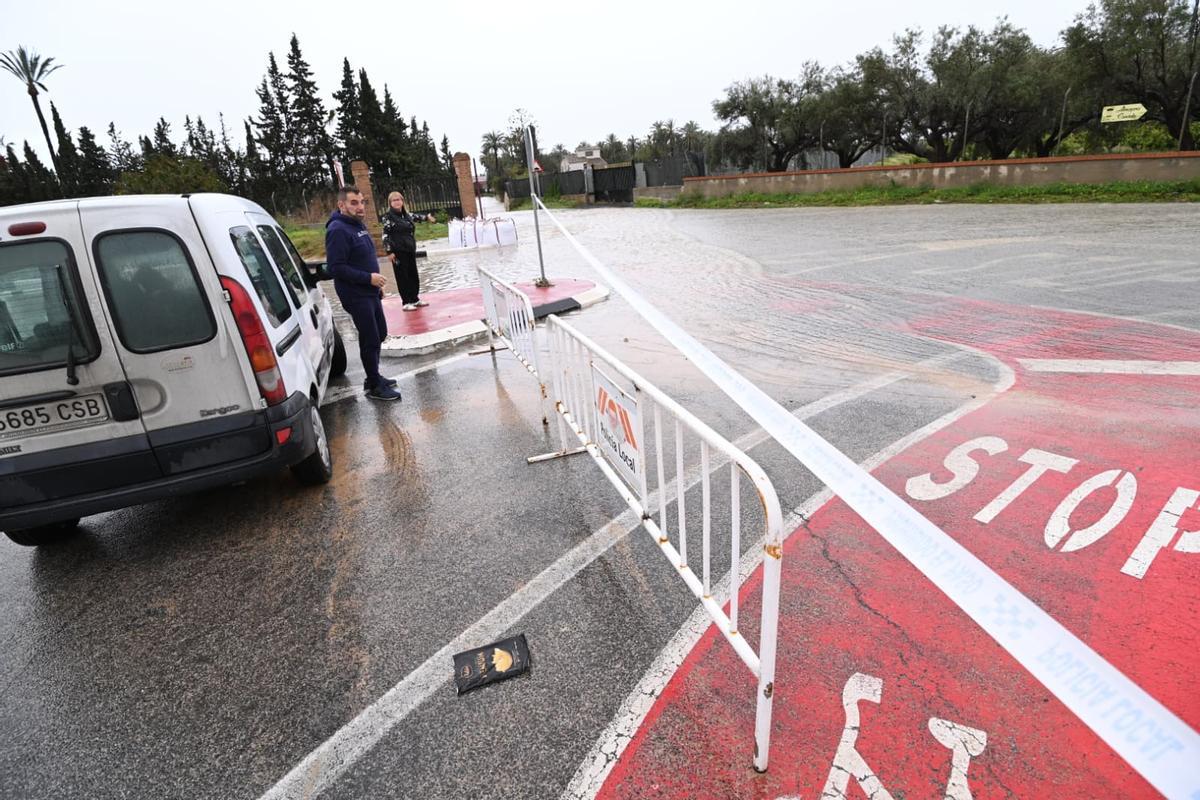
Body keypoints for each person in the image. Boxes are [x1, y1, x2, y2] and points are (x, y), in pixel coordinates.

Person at [326, 185, 402, 401]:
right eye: (354, 203)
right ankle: (374, 385)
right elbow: (336, 268)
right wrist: (369, 279)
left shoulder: (357, 224)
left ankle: (373, 376)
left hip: (369, 291)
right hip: (355, 293)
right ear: (341, 205)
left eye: (362, 202)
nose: (360, 207)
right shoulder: (337, 230)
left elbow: (363, 257)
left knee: (380, 333)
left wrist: (376, 285)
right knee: (370, 337)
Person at [381, 191, 435, 311]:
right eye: (394, 200)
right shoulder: (388, 217)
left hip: (409, 249)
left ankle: (415, 299)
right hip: (398, 251)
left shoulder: (406, 215)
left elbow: (417, 217)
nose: (397, 202)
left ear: (402, 201)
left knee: (413, 275)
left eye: (399, 199)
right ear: (390, 203)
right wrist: (389, 252)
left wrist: (427, 217)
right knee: (402, 276)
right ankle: (406, 302)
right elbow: (385, 235)